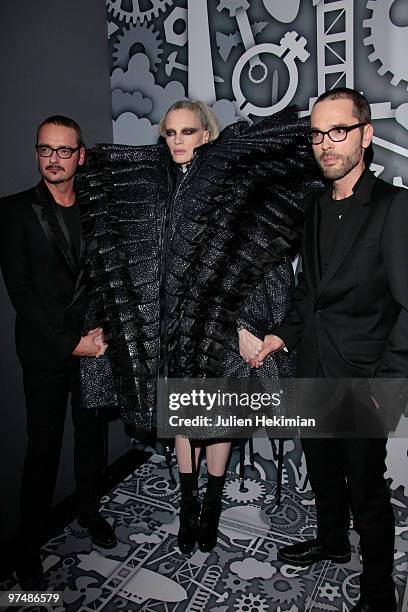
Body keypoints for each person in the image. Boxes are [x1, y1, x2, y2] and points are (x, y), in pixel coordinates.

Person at [80, 100, 320, 554]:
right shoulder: (157, 182)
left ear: (206, 134)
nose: (175, 141)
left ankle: (211, 503)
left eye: (186, 132)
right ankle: (188, 503)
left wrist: (246, 324)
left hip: (220, 325)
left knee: (216, 419)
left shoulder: (232, 179)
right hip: (170, 321)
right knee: (183, 417)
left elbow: (254, 256)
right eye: (169, 133)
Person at [256, 88, 407, 612]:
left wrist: (383, 390)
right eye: (318, 133)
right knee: (321, 470)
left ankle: (378, 590)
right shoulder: (316, 206)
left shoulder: (394, 208)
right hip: (312, 370)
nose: (326, 144)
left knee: (367, 492)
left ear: (366, 135)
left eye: (338, 131)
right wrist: (282, 337)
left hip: (363, 381)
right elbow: (308, 294)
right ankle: (330, 541)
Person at [0, 115, 116, 590]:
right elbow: (22, 296)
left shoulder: (96, 209)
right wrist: (72, 343)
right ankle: (29, 545)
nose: (54, 158)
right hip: (48, 352)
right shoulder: (12, 212)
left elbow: (109, 275)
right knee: (42, 449)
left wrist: (104, 332)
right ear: (37, 154)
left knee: (92, 441)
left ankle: (89, 511)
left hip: (96, 348)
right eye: (45, 149)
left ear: (80, 156)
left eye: (64, 150)